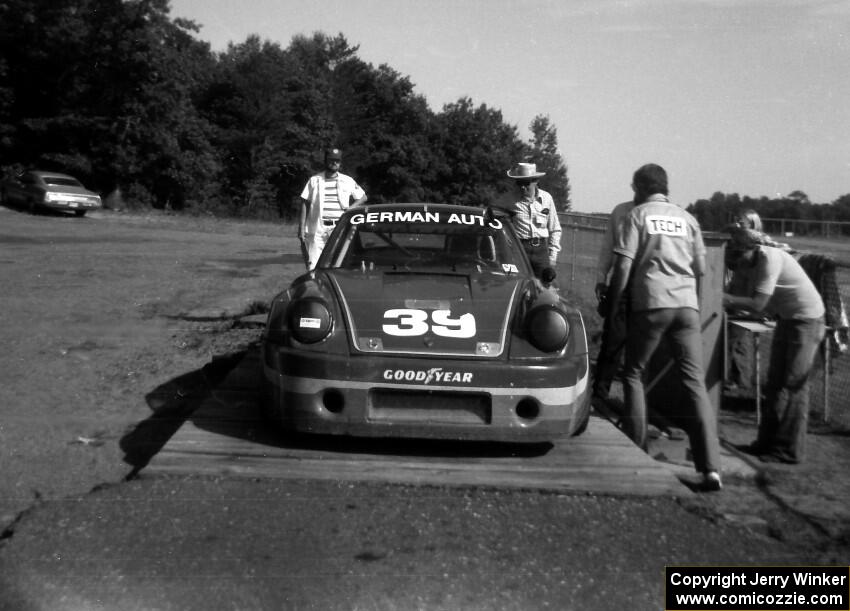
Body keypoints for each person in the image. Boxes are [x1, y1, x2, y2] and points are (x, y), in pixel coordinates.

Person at [607, 163, 721, 491]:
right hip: (687, 306)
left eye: (634, 187)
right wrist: (694, 309)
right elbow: (702, 271)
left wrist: (614, 308)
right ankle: (710, 467)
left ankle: (637, 452)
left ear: (641, 188)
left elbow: (624, 267)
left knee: (633, 374)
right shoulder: (689, 220)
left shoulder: (637, 216)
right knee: (694, 384)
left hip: (651, 304)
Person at [723, 226, 825, 464]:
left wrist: (723, 299)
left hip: (807, 321)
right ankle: (766, 444)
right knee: (774, 384)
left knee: (793, 386)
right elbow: (740, 296)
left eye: (738, 257)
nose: (736, 264)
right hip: (787, 319)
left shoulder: (769, 259)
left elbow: (758, 304)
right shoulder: (747, 263)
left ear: (751, 249)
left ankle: (788, 451)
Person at [592, 198, 635, 400]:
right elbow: (608, 246)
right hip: (620, 283)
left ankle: (635, 402)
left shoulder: (655, 213)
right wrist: (602, 279)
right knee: (612, 340)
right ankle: (600, 393)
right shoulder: (621, 211)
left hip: (647, 285)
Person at [299, 147, 367, 269]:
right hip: (317, 229)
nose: (334, 163)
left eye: (337, 161)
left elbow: (363, 197)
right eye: (331, 160)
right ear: (326, 161)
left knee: (337, 263)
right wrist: (301, 228)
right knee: (313, 265)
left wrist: (351, 208)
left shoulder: (347, 180)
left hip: (339, 228)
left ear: (340, 163)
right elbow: (304, 202)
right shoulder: (314, 180)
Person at [505, 162, 562, 279]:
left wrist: (552, 257)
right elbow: (492, 212)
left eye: (526, 183)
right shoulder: (509, 199)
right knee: (517, 283)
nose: (522, 187)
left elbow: (555, 229)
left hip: (541, 251)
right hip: (519, 249)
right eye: (518, 182)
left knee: (544, 286)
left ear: (535, 181)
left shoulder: (546, 199)